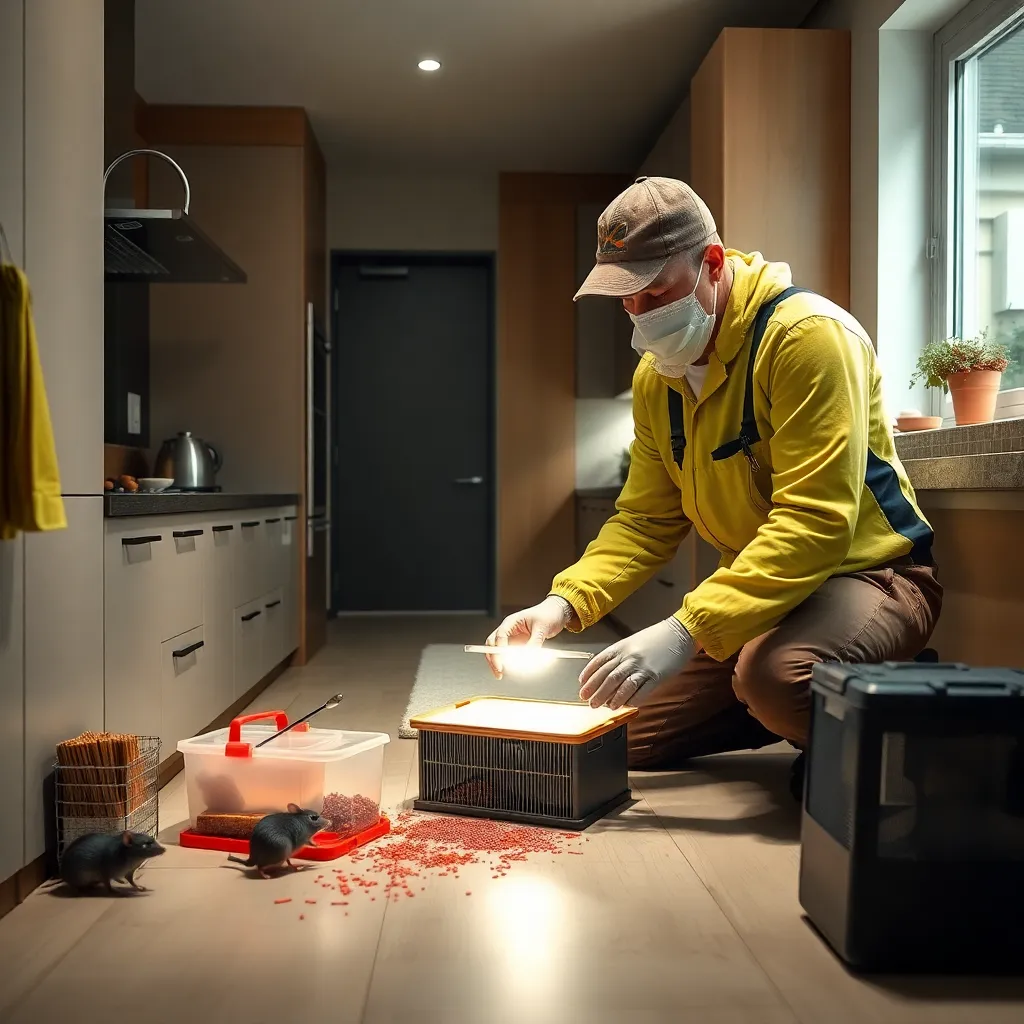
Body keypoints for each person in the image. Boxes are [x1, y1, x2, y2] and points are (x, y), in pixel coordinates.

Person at [485, 176, 942, 797]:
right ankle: (778, 697)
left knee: (777, 677)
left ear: (713, 262)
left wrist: (684, 631)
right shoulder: (659, 378)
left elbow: (817, 523)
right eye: (626, 300)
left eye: (657, 291)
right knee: (623, 733)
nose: (642, 315)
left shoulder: (806, 338)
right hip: (759, 595)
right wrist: (562, 605)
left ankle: (847, 706)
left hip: (868, 577)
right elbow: (644, 521)